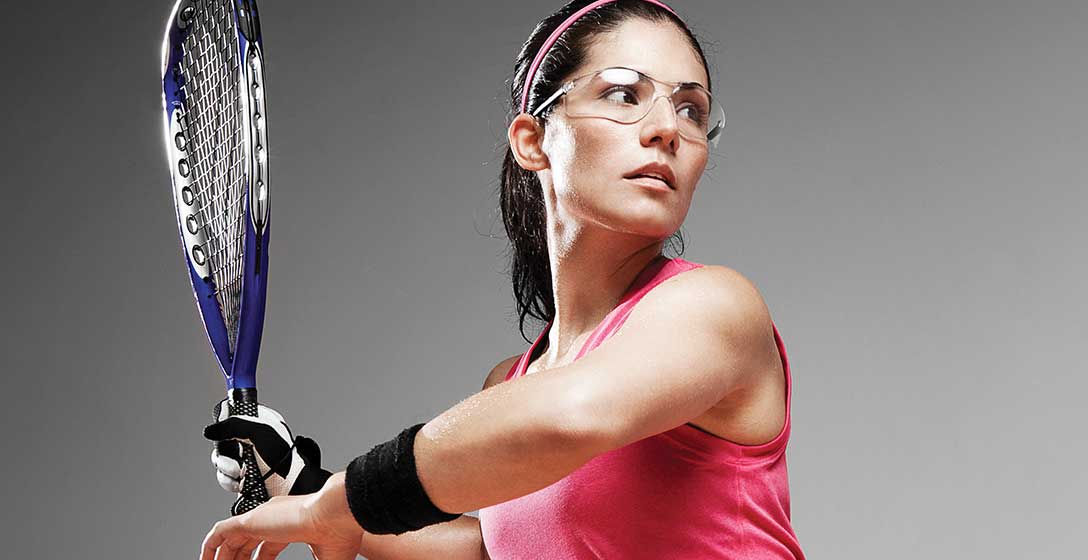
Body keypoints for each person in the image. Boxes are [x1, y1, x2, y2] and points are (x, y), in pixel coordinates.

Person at [198, 0, 806, 558]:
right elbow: (490, 552)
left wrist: (342, 498)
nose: (666, 127)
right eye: (624, 94)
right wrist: (304, 486)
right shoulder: (511, 386)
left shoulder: (715, 309)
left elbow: (572, 416)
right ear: (534, 139)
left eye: (690, 108)